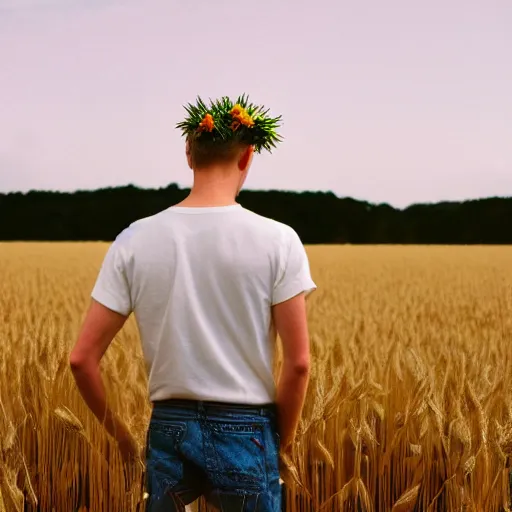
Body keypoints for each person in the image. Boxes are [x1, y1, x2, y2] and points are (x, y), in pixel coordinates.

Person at [69, 95, 317, 511]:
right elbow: (299, 364)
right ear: (248, 156)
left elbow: (81, 360)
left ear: (189, 153)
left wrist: (125, 440)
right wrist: (279, 445)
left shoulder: (135, 239)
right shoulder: (279, 239)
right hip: (248, 427)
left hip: (169, 425)